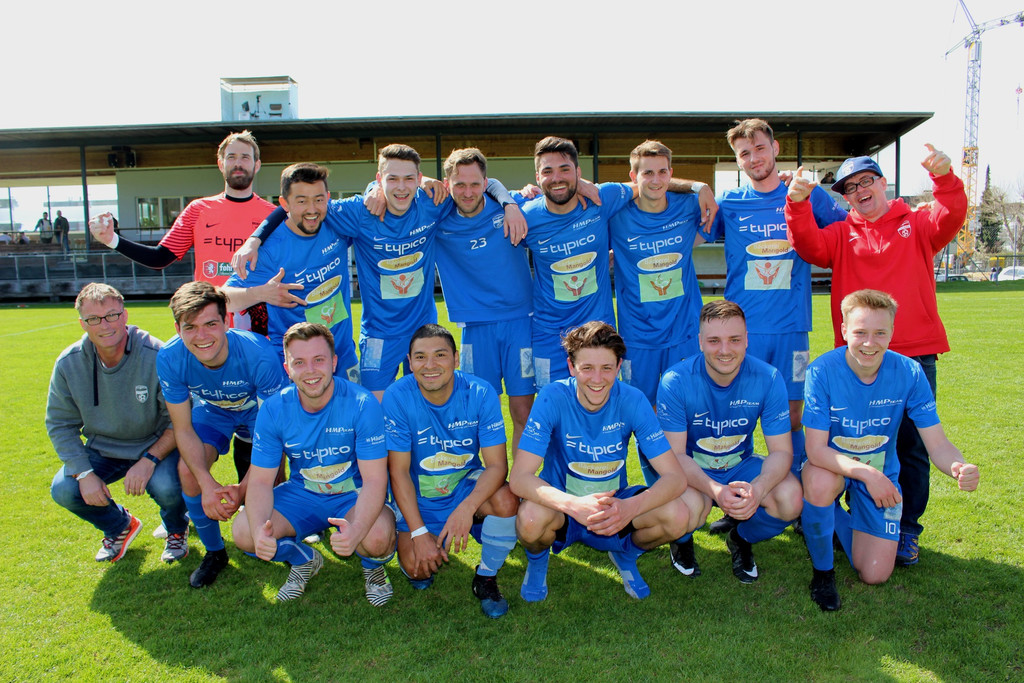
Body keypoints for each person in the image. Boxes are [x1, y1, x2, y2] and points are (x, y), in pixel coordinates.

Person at [786, 144, 968, 567]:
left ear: (883, 183)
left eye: (866, 181)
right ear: (845, 197)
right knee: (838, 441)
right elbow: (807, 243)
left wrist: (944, 177)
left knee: (911, 447)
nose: (860, 191)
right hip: (852, 359)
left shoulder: (917, 223)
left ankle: (905, 529)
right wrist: (796, 202)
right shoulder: (840, 234)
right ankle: (827, 512)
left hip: (913, 354)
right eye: (850, 188)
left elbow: (952, 213)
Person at [233, 143, 525, 400]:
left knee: (425, 409)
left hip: (422, 330)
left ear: (419, 179)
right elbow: (303, 205)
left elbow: (481, 184)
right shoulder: (359, 211)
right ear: (378, 180)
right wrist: (255, 239)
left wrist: (511, 203)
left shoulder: (433, 204)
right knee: (376, 413)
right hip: (379, 335)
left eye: (409, 178)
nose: (401, 187)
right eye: (392, 179)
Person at [89, 130, 276, 486]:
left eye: (246, 157)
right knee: (196, 414)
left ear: (257, 165)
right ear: (221, 163)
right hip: (204, 329)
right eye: (232, 157)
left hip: (256, 331)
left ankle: (253, 501)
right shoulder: (199, 210)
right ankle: (189, 502)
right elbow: (161, 256)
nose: (239, 163)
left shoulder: (272, 216)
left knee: (256, 419)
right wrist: (113, 240)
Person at [707, 120, 848, 537]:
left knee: (791, 414)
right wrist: (696, 189)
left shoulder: (800, 196)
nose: (754, 159)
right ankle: (737, 501)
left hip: (790, 328)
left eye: (760, 149)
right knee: (737, 418)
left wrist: (812, 190)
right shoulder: (730, 204)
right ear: (738, 160)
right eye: (744, 154)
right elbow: (688, 223)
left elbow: (846, 219)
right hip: (741, 332)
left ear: (775, 148)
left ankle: (806, 503)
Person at [799, 289, 978, 611]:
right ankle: (822, 574)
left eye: (880, 333)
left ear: (892, 332)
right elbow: (815, 450)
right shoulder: (821, 371)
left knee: (875, 574)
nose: (870, 343)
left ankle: (827, 517)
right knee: (820, 484)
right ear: (843, 331)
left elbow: (936, 443)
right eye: (860, 333)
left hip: (881, 474)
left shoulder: (909, 372)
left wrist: (958, 466)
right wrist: (868, 474)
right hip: (832, 466)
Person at [509, 321, 690, 601]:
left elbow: (675, 478)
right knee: (531, 519)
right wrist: (574, 505)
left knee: (678, 516)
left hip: (613, 508)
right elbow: (520, 478)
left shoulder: (633, 400)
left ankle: (626, 555)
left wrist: (630, 507)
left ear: (619, 368)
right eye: (587, 369)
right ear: (571, 367)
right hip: (563, 508)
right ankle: (537, 561)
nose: (597, 379)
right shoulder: (552, 397)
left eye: (607, 368)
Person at [520, 137, 716, 389]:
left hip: (600, 329)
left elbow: (650, 184)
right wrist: (512, 200)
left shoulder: (603, 200)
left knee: (613, 405)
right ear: (537, 176)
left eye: (565, 170)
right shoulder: (525, 216)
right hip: (549, 333)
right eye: (548, 171)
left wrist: (700, 187)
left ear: (578, 174)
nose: (557, 177)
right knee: (553, 409)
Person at [231, 323, 396, 605]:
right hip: (302, 493)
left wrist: (356, 531)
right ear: (287, 367)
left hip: (352, 495)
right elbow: (260, 481)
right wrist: (261, 529)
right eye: (299, 362)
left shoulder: (362, 403)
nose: (310, 370)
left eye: (318, 360)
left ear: (333, 362)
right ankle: (303, 559)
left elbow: (375, 480)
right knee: (245, 531)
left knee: (378, 537)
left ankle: (373, 569)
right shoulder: (273, 409)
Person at [656, 300, 802, 582]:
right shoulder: (676, 380)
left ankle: (741, 537)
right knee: (685, 511)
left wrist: (757, 490)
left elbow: (782, 452)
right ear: (700, 342)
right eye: (714, 341)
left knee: (791, 498)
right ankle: (682, 540)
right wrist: (715, 490)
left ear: (747, 340)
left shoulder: (768, 378)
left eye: (734, 339)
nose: (725, 350)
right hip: (689, 468)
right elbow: (674, 456)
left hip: (739, 465)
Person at [383, 324, 519, 618]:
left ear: (456, 359)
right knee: (417, 571)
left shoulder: (481, 392)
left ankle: (485, 577)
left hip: (465, 486)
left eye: (440, 355)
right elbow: (399, 472)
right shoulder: (397, 395)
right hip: (420, 494)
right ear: (409, 362)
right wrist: (419, 533)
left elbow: (497, 465)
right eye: (420, 357)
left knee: (507, 500)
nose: (430, 365)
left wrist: (466, 508)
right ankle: (426, 537)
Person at [47, 283, 189, 564]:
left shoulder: (157, 355)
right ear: (82, 324)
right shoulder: (68, 363)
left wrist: (149, 459)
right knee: (64, 489)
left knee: (168, 487)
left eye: (112, 315)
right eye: (94, 319)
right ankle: (119, 526)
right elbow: (60, 424)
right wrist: (85, 474)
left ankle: (176, 528)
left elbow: (180, 421)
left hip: (155, 443)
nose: (105, 325)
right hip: (103, 449)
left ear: (125, 315)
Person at [157, 282, 287, 588]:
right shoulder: (170, 357)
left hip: (258, 413)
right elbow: (183, 428)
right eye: (190, 327)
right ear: (177, 328)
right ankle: (215, 553)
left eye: (211, 324)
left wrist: (242, 490)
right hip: (214, 411)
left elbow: (274, 439)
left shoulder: (259, 353)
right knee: (187, 471)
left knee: (273, 476)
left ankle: (268, 530)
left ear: (226, 321)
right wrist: (207, 484)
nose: (202, 336)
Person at [435, 148, 535, 450]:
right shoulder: (438, 218)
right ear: (447, 184)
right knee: (479, 415)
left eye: (475, 184)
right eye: (459, 185)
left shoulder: (511, 206)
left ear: (486, 182)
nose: (468, 192)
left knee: (523, 412)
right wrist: (375, 187)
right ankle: (486, 486)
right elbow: (396, 186)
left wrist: (510, 202)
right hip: (475, 328)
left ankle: (520, 487)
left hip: (520, 324)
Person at [223, 162, 359, 377]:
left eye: (319, 199)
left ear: (328, 198)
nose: (312, 210)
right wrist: (262, 293)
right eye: (301, 201)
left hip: (342, 356)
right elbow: (223, 298)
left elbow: (382, 194)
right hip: (297, 366)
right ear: (284, 203)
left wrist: (423, 181)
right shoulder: (269, 251)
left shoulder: (338, 223)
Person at [610, 140, 707, 405]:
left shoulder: (688, 206)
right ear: (633, 177)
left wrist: (701, 187)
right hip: (637, 335)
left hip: (684, 330)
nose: (656, 180)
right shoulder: (616, 215)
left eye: (662, 172)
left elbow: (708, 229)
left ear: (671, 174)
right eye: (647, 173)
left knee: (687, 405)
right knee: (642, 411)